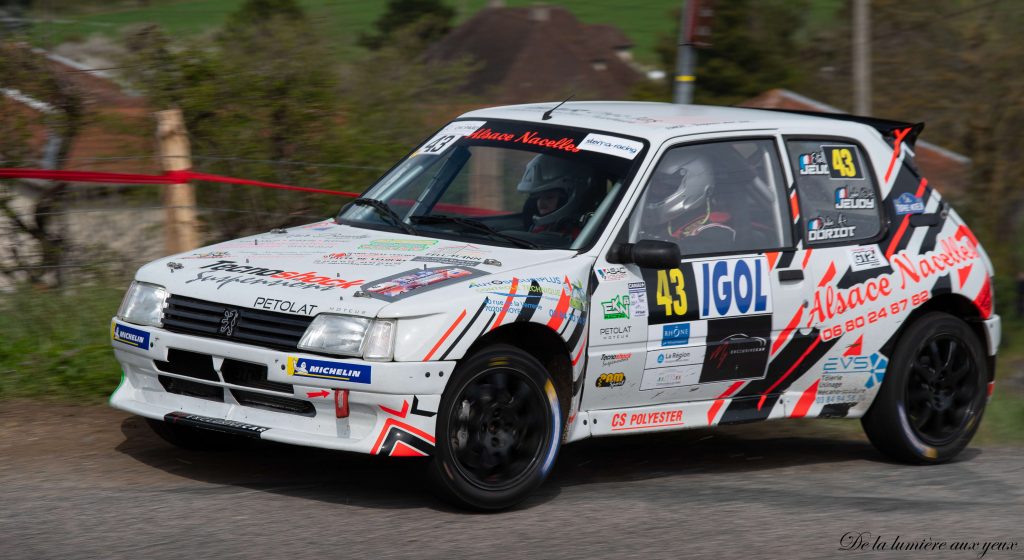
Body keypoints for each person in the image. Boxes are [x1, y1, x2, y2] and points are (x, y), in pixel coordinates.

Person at [641, 148, 735, 253]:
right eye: (655, 182)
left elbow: (673, 253)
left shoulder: (716, 232)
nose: (655, 190)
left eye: (666, 185)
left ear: (695, 185)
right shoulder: (660, 217)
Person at [517, 154, 590, 237]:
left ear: (565, 199)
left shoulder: (578, 235)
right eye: (537, 197)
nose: (541, 202)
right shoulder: (538, 227)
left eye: (549, 197)